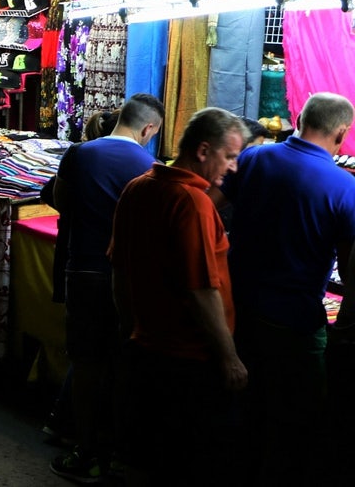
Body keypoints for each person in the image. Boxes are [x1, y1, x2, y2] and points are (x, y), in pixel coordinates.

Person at [212, 92, 355, 485]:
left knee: (242, 409)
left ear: (300, 118)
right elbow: (350, 271)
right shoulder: (344, 188)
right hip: (295, 324)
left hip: (237, 310)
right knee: (296, 420)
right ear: (342, 132)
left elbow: (208, 207)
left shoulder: (255, 159)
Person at [109, 107, 248, 486]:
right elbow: (201, 290)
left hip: (146, 349)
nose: (233, 168)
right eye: (230, 156)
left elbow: (119, 272)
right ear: (203, 151)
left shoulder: (138, 187)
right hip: (188, 359)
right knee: (190, 460)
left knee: (149, 455)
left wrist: (130, 327)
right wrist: (229, 357)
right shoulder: (192, 202)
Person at [49, 94, 164, 483]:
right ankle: (117, 451)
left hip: (83, 269)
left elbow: (62, 203)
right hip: (128, 279)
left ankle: (85, 449)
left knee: (85, 365)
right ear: (148, 129)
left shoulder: (80, 153)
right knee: (122, 366)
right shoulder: (151, 167)